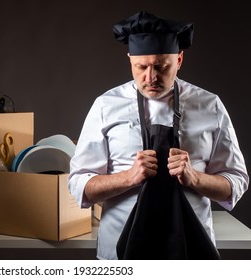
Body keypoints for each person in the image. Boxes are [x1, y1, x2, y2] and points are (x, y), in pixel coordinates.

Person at [68, 11, 249, 260]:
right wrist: (128, 178)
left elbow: (235, 183)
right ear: (130, 59)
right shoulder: (105, 105)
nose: (150, 77)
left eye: (161, 67)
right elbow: (79, 185)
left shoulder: (210, 105)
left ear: (179, 60)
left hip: (190, 251)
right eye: (141, 67)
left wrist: (194, 178)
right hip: (119, 254)